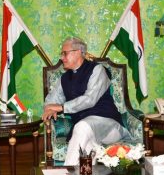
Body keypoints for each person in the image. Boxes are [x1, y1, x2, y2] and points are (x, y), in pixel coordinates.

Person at [42, 37, 130, 166]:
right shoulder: (64, 78)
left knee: (82, 127)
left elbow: (90, 99)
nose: (62, 57)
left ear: (78, 52)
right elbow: (50, 100)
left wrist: (61, 107)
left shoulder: (97, 70)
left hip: (109, 126)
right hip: (86, 130)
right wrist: (49, 109)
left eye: (64, 53)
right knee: (88, 147)